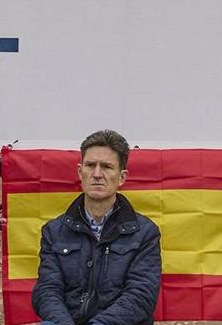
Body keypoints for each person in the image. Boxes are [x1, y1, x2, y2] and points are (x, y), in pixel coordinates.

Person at [32, 130, 162, 325]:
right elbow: (47, 290)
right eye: (90, 165)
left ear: (122, 177)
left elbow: (141, 296)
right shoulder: (53, 231)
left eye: (107, 167)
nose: (97, 174)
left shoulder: (145, 233)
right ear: (80, 171)